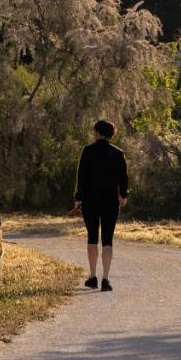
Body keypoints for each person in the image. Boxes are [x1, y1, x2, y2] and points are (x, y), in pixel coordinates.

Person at [69, 119, 129, 292]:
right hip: (110, 201)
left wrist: (78, 199)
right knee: (108, 240)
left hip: (90, 201)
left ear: (96, 132)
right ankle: (106, 279)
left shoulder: (87, 151)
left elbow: (81, 177)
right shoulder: (118, 153)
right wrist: (123, 195)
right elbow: (123, 177)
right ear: (111, 134)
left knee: (92, 237)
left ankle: (93, 276)